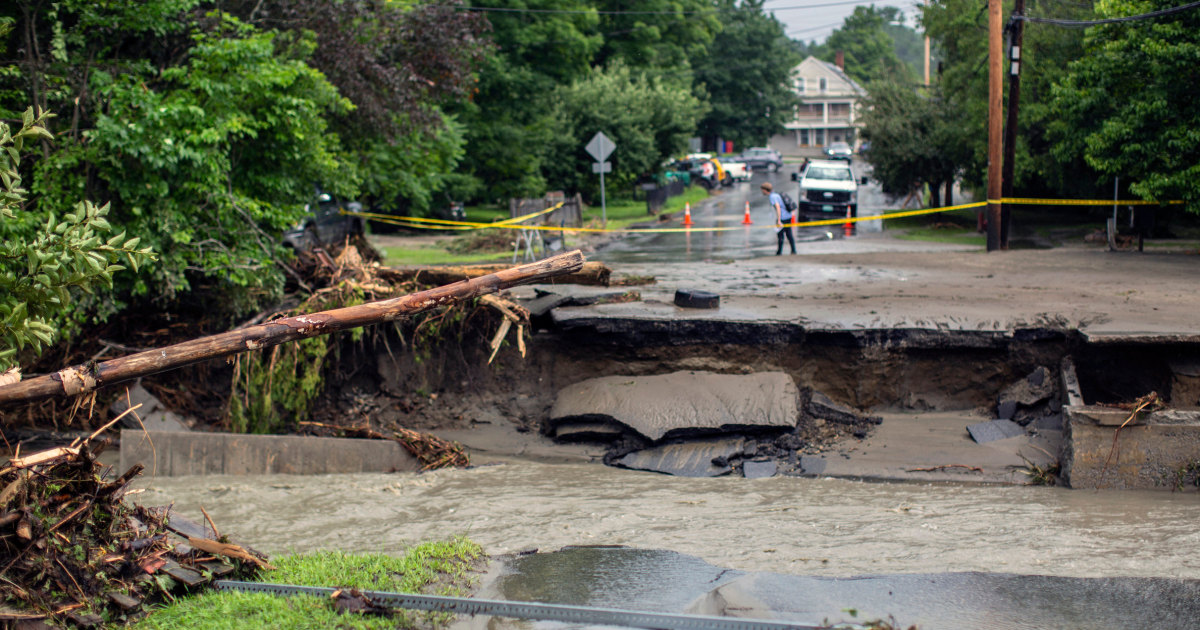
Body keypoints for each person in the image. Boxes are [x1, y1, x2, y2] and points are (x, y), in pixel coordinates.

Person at [761, 182, 795, 255]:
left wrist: (779, 220)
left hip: (782, 218)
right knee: (789, 234)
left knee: (780, 235)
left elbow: (778, 207)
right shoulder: (776, 194)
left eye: (762, 190)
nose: (762, 192)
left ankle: (779, 252)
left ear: (765, 190)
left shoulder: (772, 197)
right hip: (788, 216)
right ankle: (793, 250)